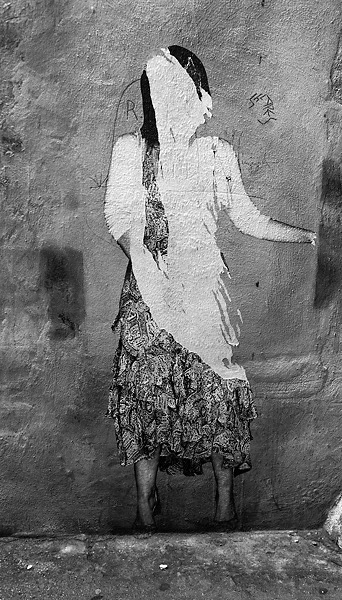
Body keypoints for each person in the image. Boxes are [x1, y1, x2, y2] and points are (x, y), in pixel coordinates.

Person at [104, 45, 316, 533]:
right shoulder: (131, 151)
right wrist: (156, 275)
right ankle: (145, 509)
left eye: (198, 88)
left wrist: (307, 236)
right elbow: (118, 221)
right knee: (146, 394)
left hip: (205, 293)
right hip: (149, 297)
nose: (199, 100)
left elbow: (247, 218)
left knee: (216, 392)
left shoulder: (216, 152)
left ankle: (224, 507)